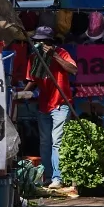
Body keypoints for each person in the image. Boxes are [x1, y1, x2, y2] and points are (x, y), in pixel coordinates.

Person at [30, 25, 76, 191]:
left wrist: (54, 55)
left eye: (41, 42)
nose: (38, 44)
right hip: (44, 105)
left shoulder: (62, 53)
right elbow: (33, 78)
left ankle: (58, 177)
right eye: (36, 41)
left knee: (57, 142)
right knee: (45, 142)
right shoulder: (34, 57)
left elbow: (73, 69)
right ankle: (48, 177)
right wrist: (22, 93)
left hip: (60, 104)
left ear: (49, 42)